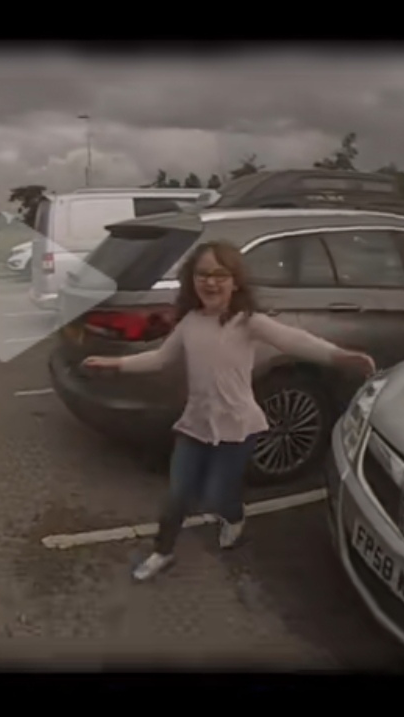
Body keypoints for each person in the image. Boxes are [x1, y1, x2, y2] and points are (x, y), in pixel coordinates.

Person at [83, 240, 376, 583]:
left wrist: (340, 356)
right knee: (177, 495)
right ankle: (162, 552)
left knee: (219, 496)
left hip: (238, 428)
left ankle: (234, 518)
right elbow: (160, 359)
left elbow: (295, 340)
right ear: (192, 281)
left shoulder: (248, 322)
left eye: (220, 274)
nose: (210, 282)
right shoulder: (190, 322)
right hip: (194, 425)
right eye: (202, 274)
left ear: (235, 281)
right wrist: (115, 363)